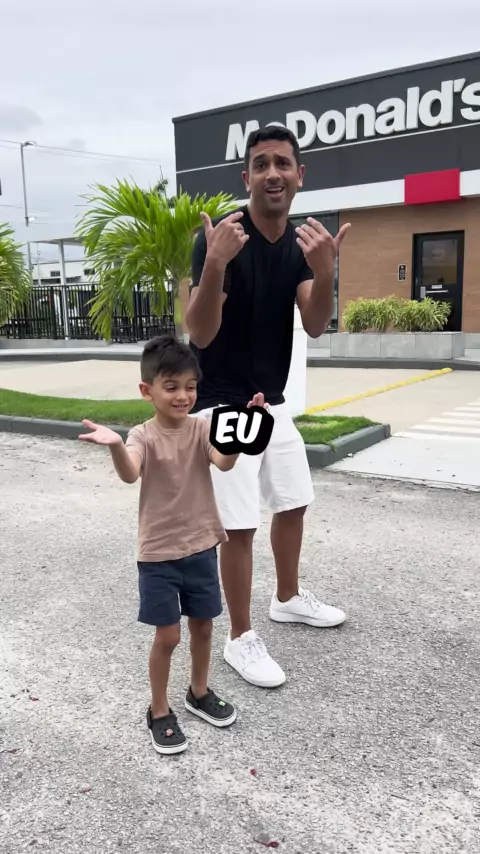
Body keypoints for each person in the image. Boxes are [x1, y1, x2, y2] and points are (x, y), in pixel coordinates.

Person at [186, 125, 351, 690]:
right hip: (220, 401)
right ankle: (240, 637)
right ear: (247, 177)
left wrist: (326, 271)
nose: (272, 173)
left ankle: (287, 597)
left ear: (299, 176)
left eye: (282, 163)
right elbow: (200, 333)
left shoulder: (303, 243)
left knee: (294, 499)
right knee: (239, 524)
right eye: (261, 164)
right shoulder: (223, 236)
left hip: (270, 400)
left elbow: (316, 324)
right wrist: (214, 264)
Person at [79, 335, 267, 755]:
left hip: (201, 547)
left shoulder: (201, 427)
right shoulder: (142, 436)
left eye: (190, 386)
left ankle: (198, 692)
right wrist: (115, 446)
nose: (183, 396)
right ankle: (159, 709)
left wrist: (244, 432)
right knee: (167, 637)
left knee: (204, 626)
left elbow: (223, 462)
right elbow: (130, 473)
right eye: (171, 387)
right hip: (159, 555)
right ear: (147, 391)